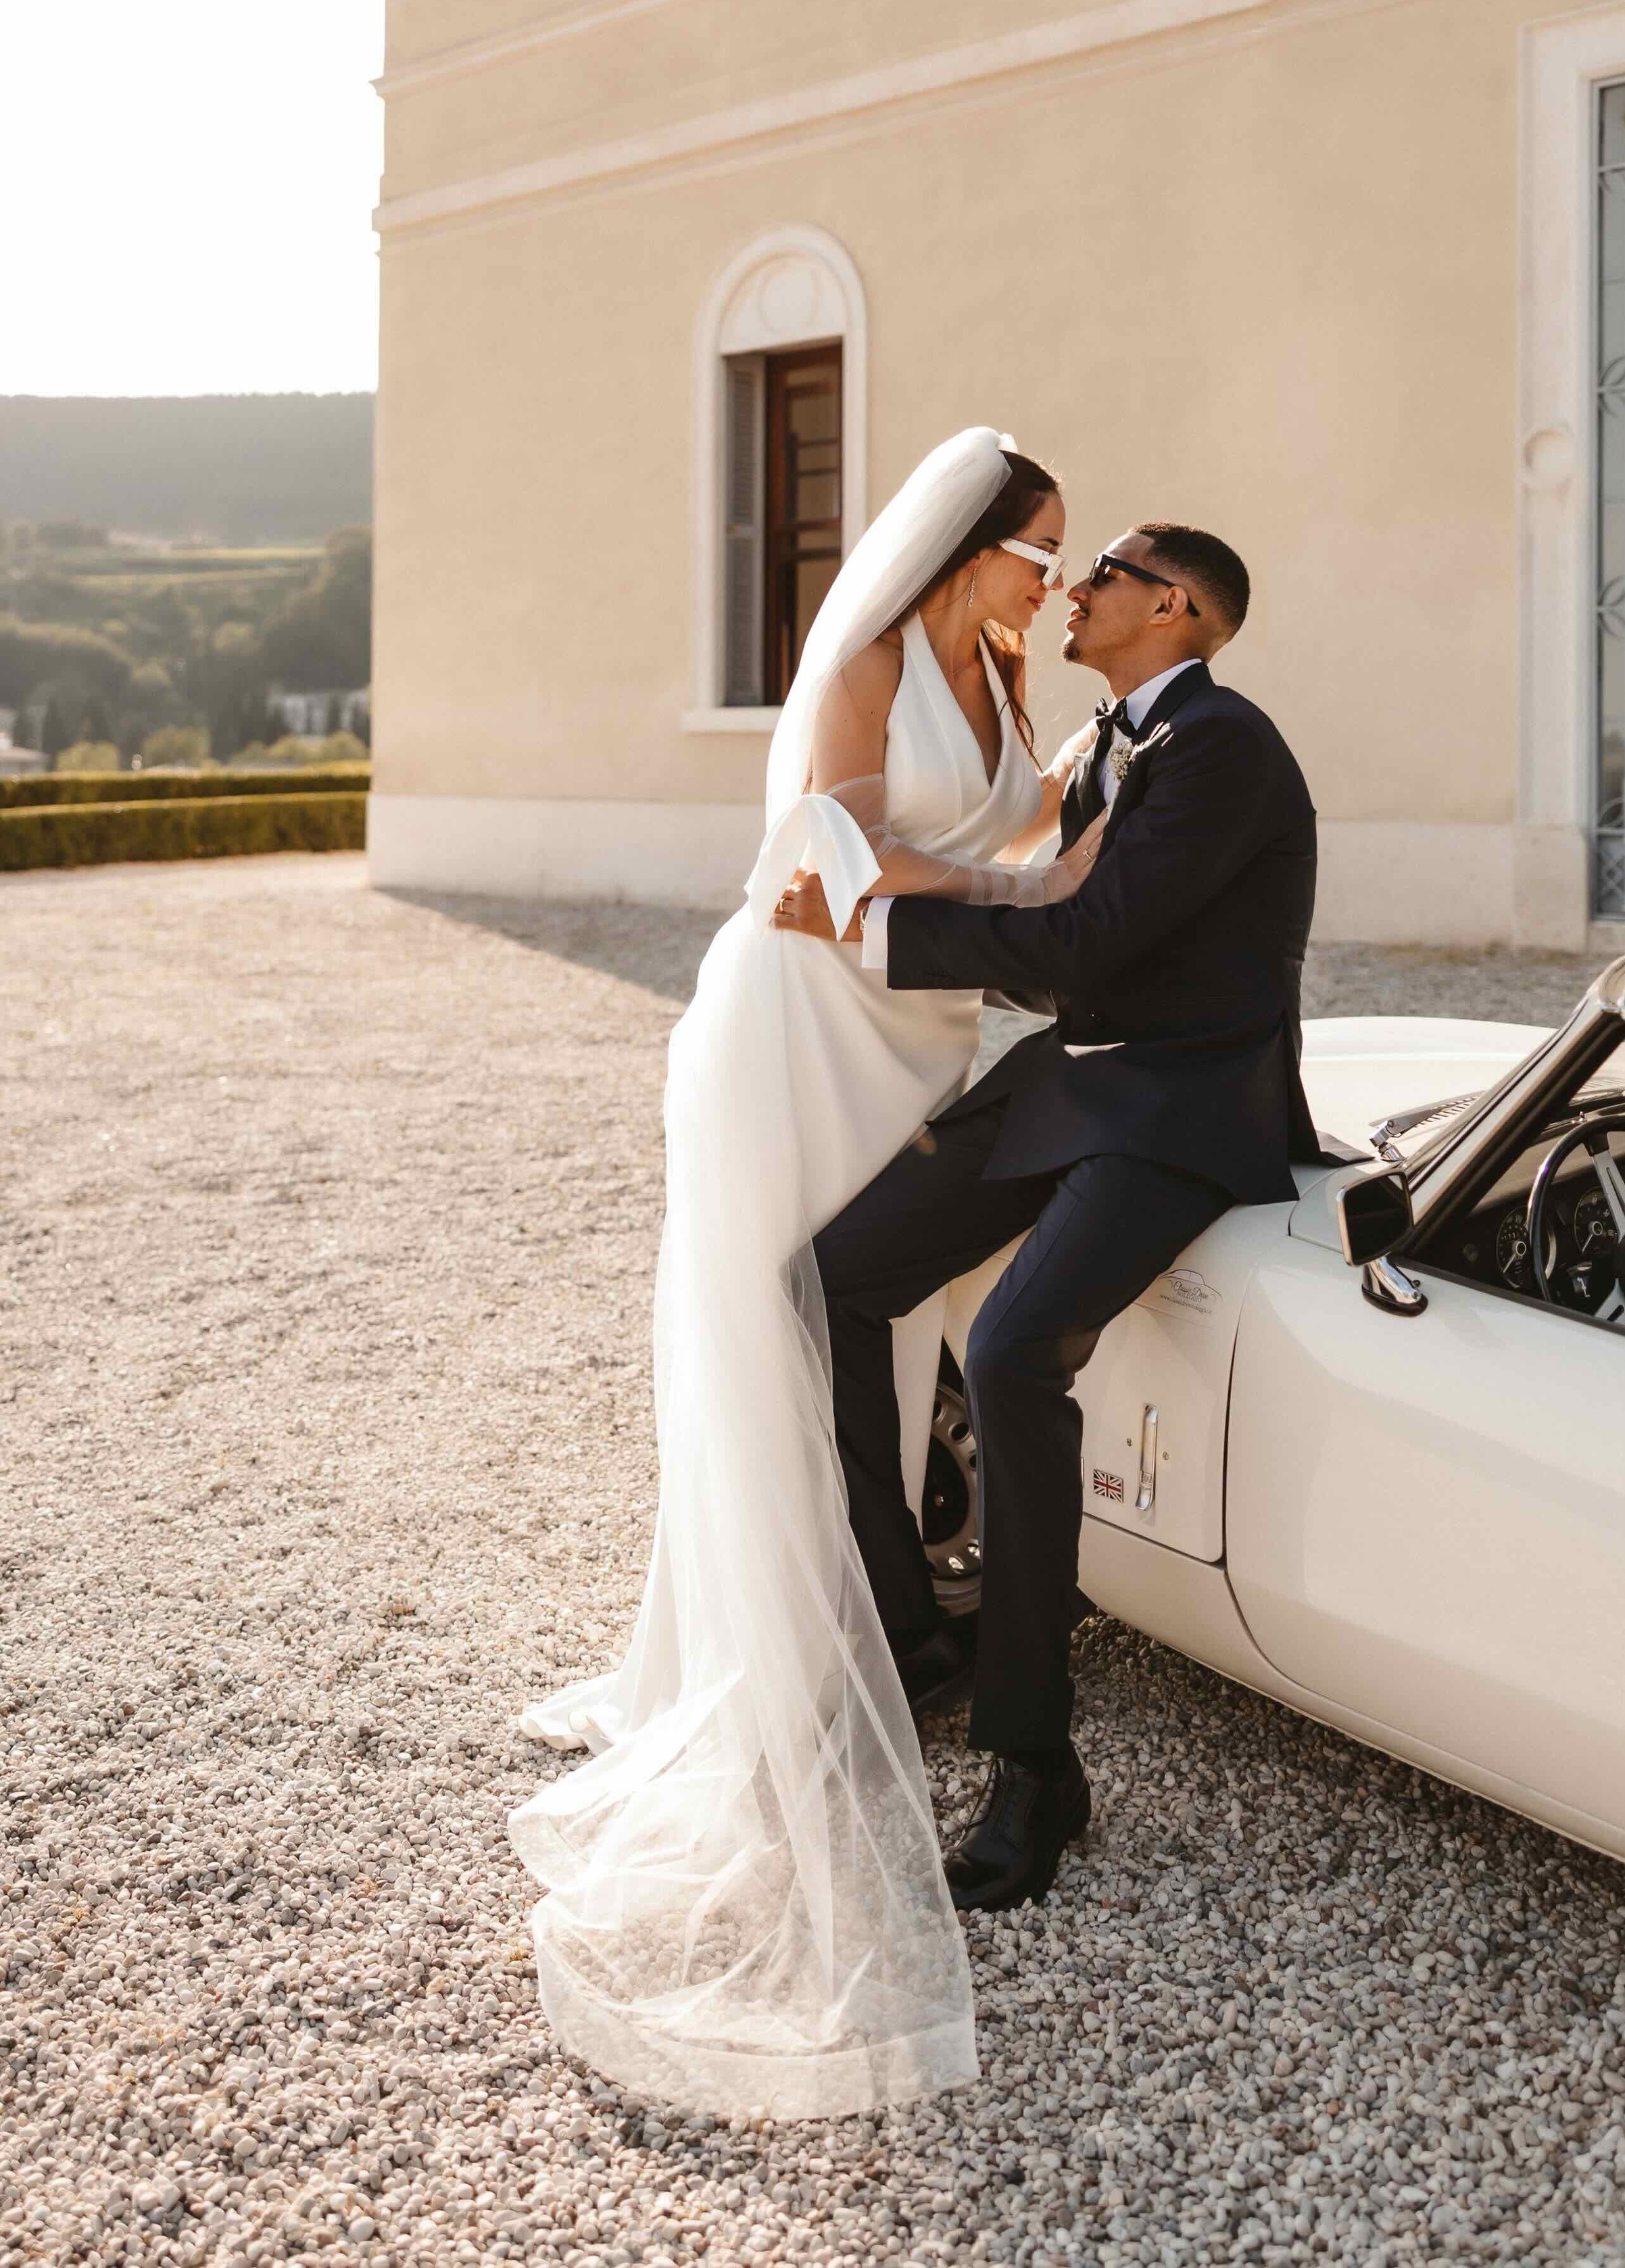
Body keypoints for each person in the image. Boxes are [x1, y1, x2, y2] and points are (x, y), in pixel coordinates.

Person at [510, 429, 1102, 2121]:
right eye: (1032, 550)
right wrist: (1030, 884)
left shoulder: (998, 681)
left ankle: (887, 1585)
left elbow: (1042, 826)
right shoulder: (864, 665)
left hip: (910, 1049)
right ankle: (790, 1639)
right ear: (961, 548)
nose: (1047, 582)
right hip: (795, 1037)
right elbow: (834, 866)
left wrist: (1094, 818)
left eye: (1061, 557)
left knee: (880, 1314)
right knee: (778, 1309)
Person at [780, 523, 1324, 1913]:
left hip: (1189, 1097)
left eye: (1107, 576)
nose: (1073, 590)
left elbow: (1087, 944)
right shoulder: (1104, 742)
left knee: (1019, 1351)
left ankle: (1035, 1764)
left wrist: (867, 931)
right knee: (832, 1275)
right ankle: (912, 1632)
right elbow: (1056, 962)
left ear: (1179, 607)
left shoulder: (1223, 749)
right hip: (1076, 1080)